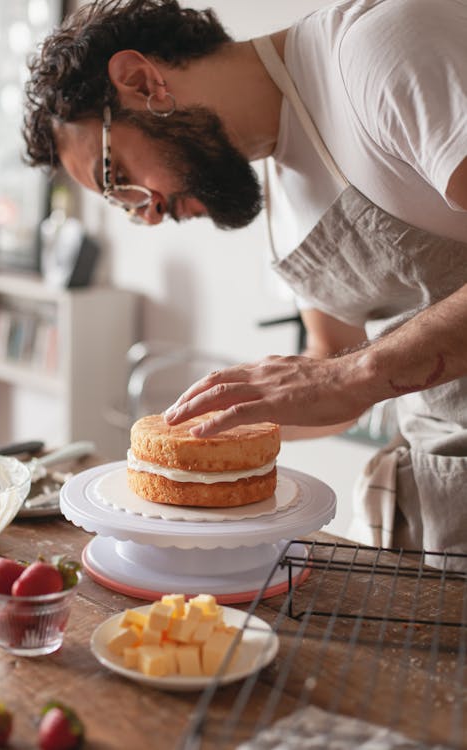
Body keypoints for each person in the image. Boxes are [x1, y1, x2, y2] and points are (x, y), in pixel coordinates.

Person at [23, 0, 467, 566]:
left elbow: (347, 374)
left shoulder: (379, 53)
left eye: (118, 178)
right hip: (441, 501)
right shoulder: (284, 214)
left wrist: (356, 373)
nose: (148, 214)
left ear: (142, 82)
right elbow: (332, 368)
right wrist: (193, 446)